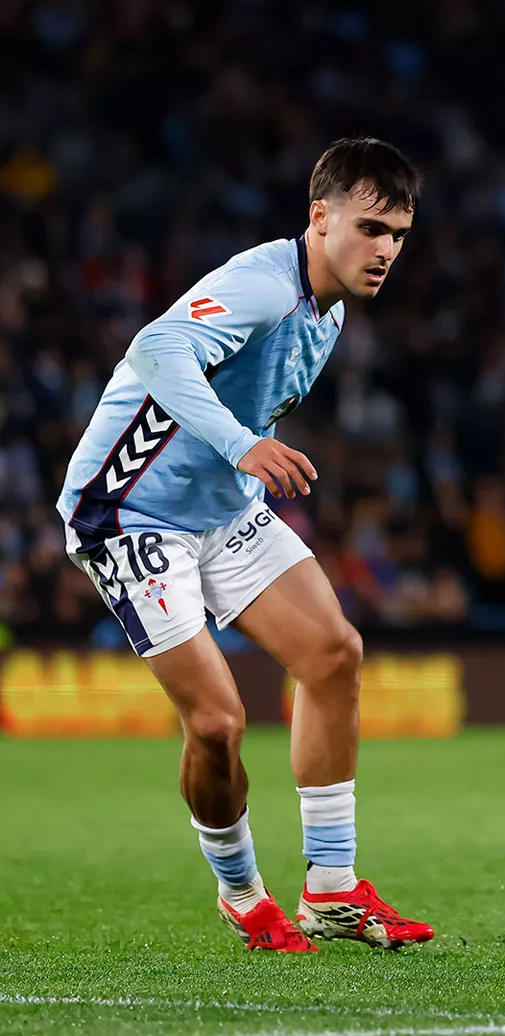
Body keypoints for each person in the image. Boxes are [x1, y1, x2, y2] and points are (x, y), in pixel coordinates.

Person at [57, 138, 435, 953]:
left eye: (399, 235)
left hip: (221, 509)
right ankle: (241, 893)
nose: (386, 251)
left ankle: (332, 891)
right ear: (320, 216)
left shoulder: (328, 306)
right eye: (372, 228)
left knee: (334, 655)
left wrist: (237, 458)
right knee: (220, 722)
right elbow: (156, 349)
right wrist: (241, 444)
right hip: (132, 512)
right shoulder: (262, 283)